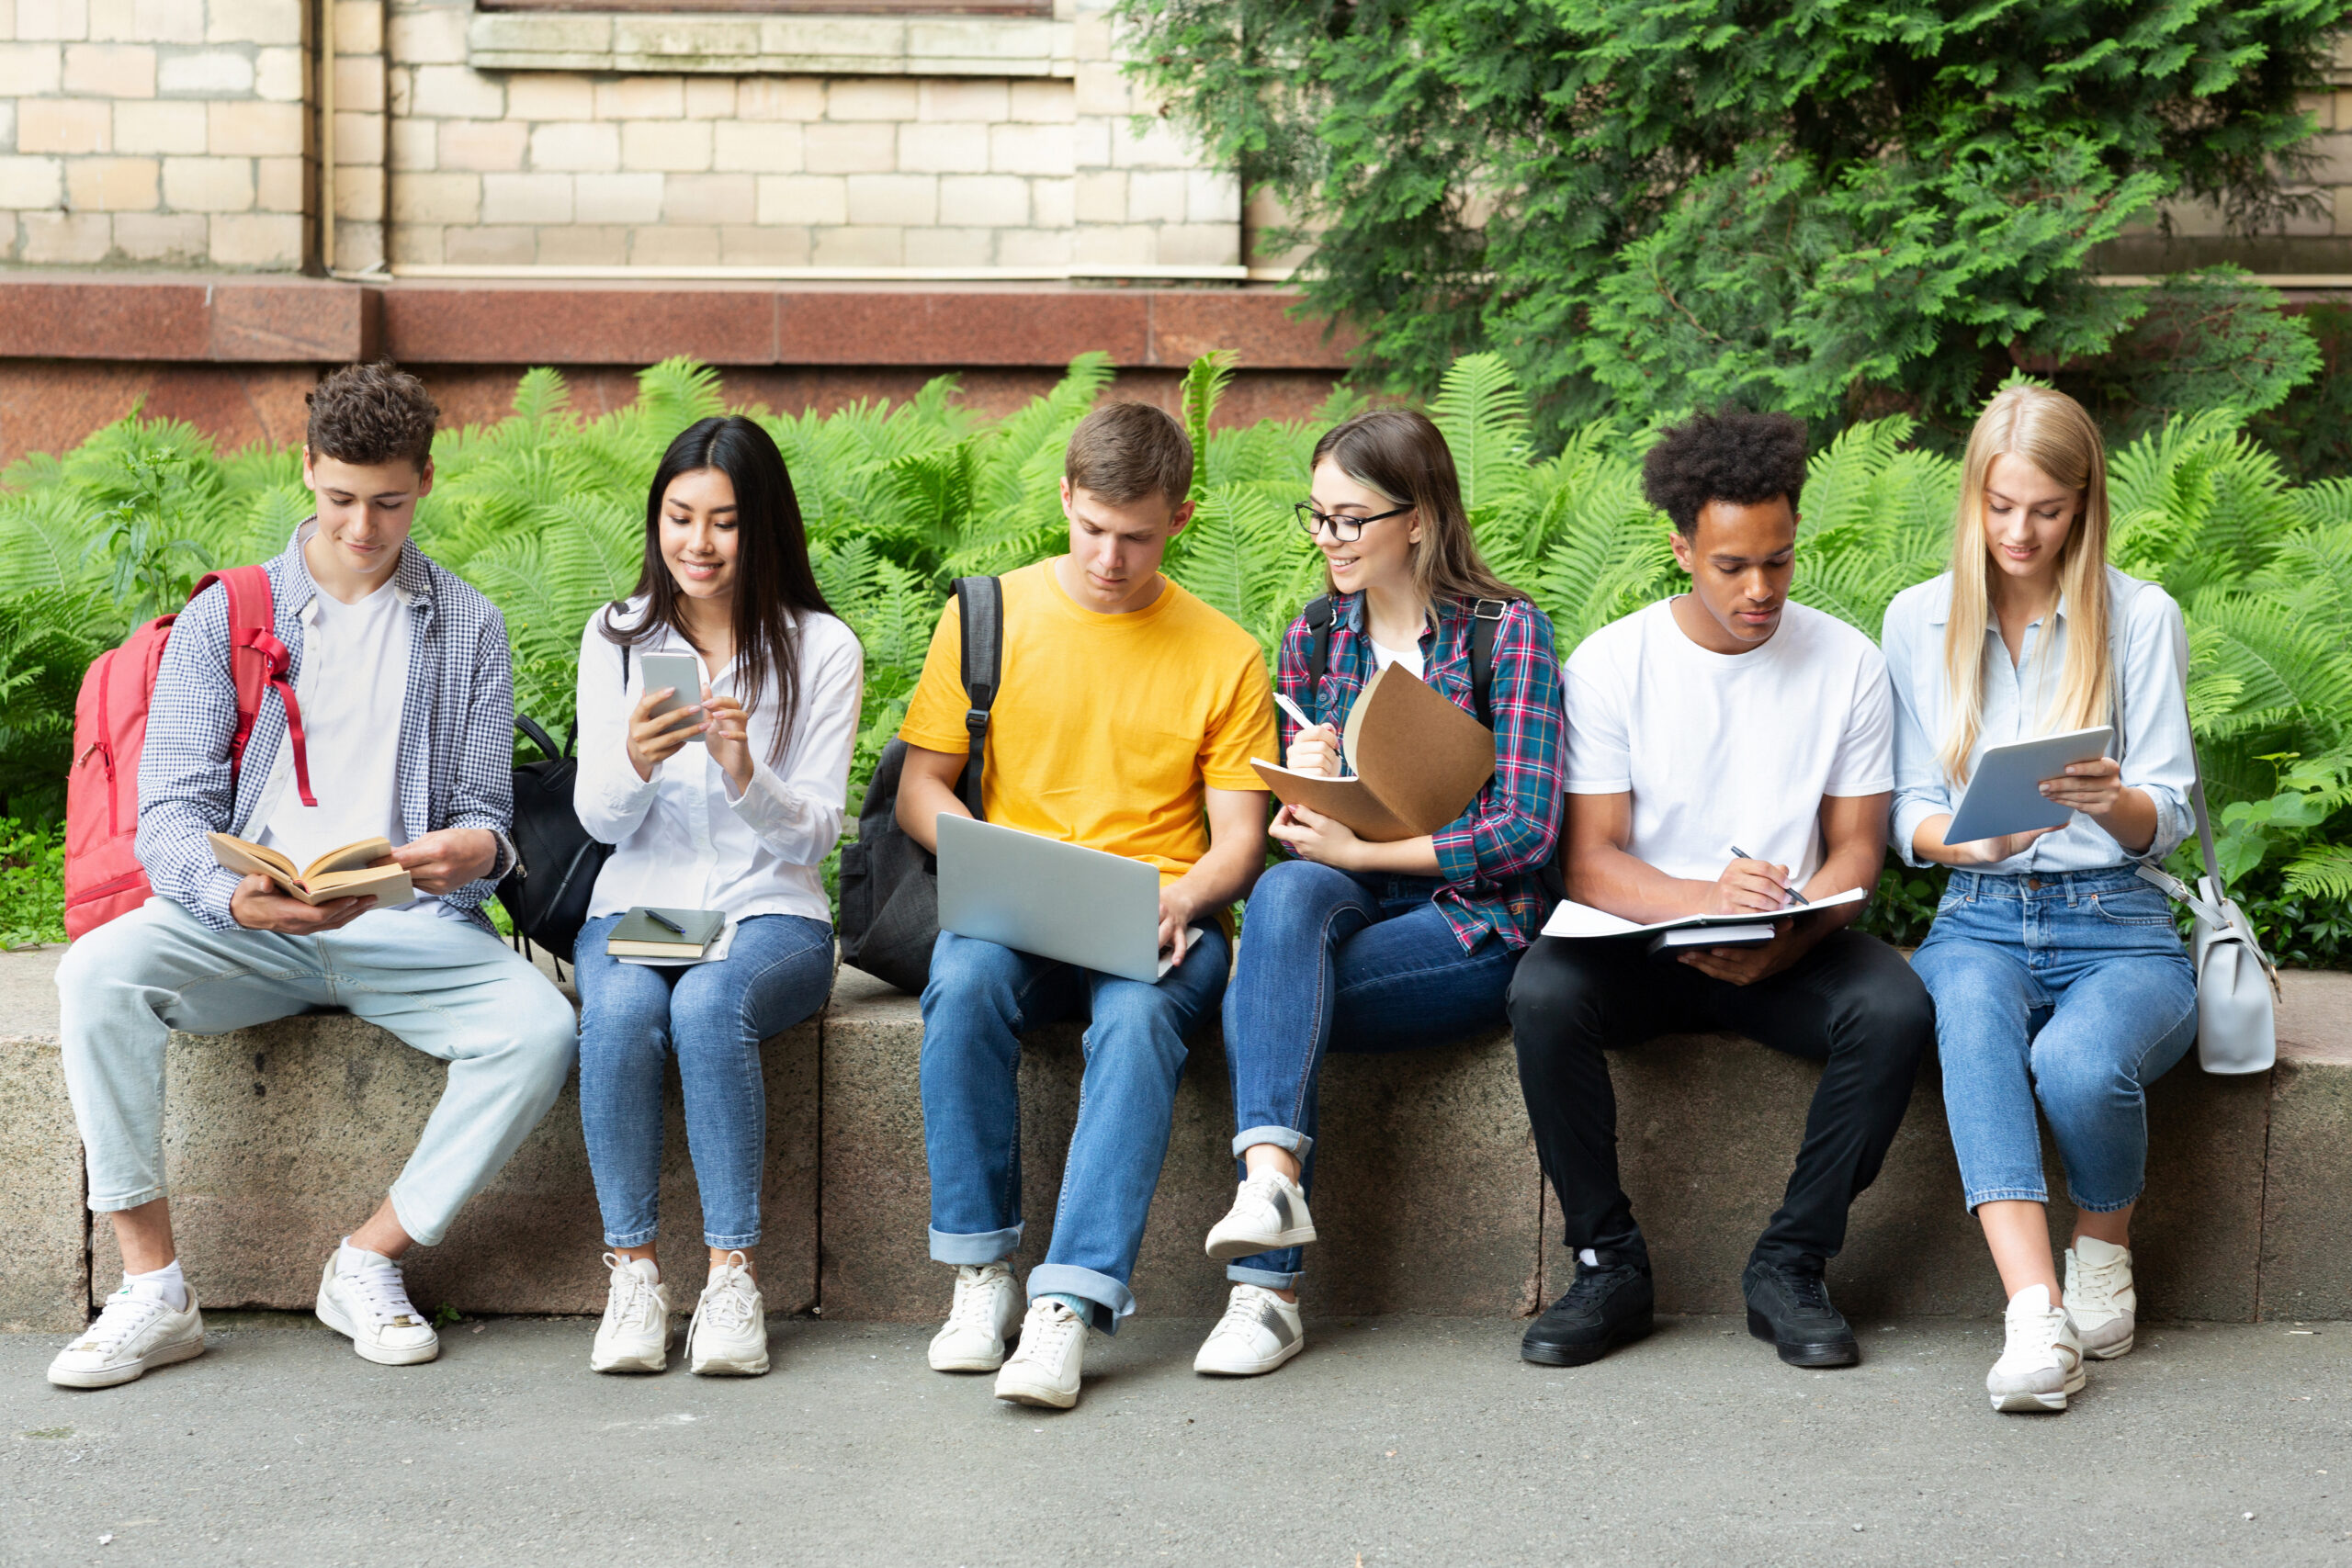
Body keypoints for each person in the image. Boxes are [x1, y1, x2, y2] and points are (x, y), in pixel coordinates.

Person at [49, 362, 575, 1388]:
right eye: (339, 499)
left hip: (408, 927)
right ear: (306, 472)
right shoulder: (230, 616)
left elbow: (483, 812)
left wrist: (476, 851)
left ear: (426, 478)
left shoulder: (466, 623)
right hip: (247, 921)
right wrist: (228, 896)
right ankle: (153, 1289)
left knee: (541, 1028)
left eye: (388, 502)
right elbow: (170, 815)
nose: (362, 528)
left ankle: (369, 1258)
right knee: (93, 976)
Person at [1508, 410, 1934, 1372]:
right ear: (1681, 549)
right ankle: (1605, 1264)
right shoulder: (1614, 664)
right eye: (1731, 566)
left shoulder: (1847, 664)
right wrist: (1707, 897)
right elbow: (1591, 863)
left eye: (1778, 562)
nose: (1758, 589)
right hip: (1639, 942)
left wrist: (1789, 933)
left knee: (1895, 1006)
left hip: (1790, 948)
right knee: (1541, 994)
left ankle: (1790, 1265)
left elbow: (1856, 853)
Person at [896, 400, 1277, 1410]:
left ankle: (1065, 1307)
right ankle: (980, 1275)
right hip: (1020, 908)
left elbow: (1239, 840)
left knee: (1141, 1017)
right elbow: (920, 788)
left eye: (1137, 537)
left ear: (1180, 521)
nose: (1110, 557)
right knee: (964, 979)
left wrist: (1182, 897)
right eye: (1093, 529)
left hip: (1161, 912)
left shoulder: (1223, 651)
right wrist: (987, 856)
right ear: (1065, 498)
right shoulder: (991, 613)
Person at [1195, 409, 1564, 1377]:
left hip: (1469, 925)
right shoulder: (1314, 638)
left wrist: (1362, 856)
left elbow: (1524, 832)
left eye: (1350, 519)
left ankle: (1263, 1291)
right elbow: (1304, 847)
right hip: (1343, 907)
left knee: (1260, 1000)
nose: (1329, 541)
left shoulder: (1504, 634)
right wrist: (1308, 780)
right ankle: (1271, 1186)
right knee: (1281, 905)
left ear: (1418, 518)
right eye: (1315, 518)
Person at [1884, 385, 2198, 1414]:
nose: (2019, 532)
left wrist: (2112, 803)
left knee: (2075, 1061)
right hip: (1976, 910)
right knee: (1970, 1019)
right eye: (1999, 505)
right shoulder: (1917, 618)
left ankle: (2101, 1241)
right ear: (1972, 495)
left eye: (2046, 510)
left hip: (2118, 917)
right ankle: (2033, 1316)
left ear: (2084, 504)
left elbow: (2174, 814)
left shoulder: (2140, 616)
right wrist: (1981, 834)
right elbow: (1911, 817)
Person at [571, 416, 863, 1378]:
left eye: (724, 522)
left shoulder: (819, 649)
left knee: (707, 1001)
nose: (697, 544)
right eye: (679, 517)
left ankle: (732, 1277)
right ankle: (635, 1276)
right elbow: (600, 822)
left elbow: (817, 832)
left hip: (765, 910)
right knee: (615, 1010)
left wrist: (745, 771)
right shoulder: (618, 637)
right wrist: (632, 760)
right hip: (648, 899)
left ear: (763, 526)